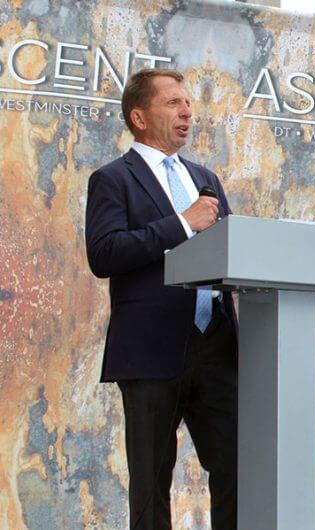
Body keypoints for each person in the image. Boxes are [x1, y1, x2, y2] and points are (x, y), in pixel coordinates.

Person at [85, 68, 238, 530]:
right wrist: (183, 223)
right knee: (151, 484)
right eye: (173, 103)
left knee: (238, 468)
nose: (187, 111)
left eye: (188, 103)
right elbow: (105, 253)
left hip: (216, 346)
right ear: (139, 116)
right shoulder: (113, 179)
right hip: (151, 351)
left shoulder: (204, 177)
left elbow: (233, 250)